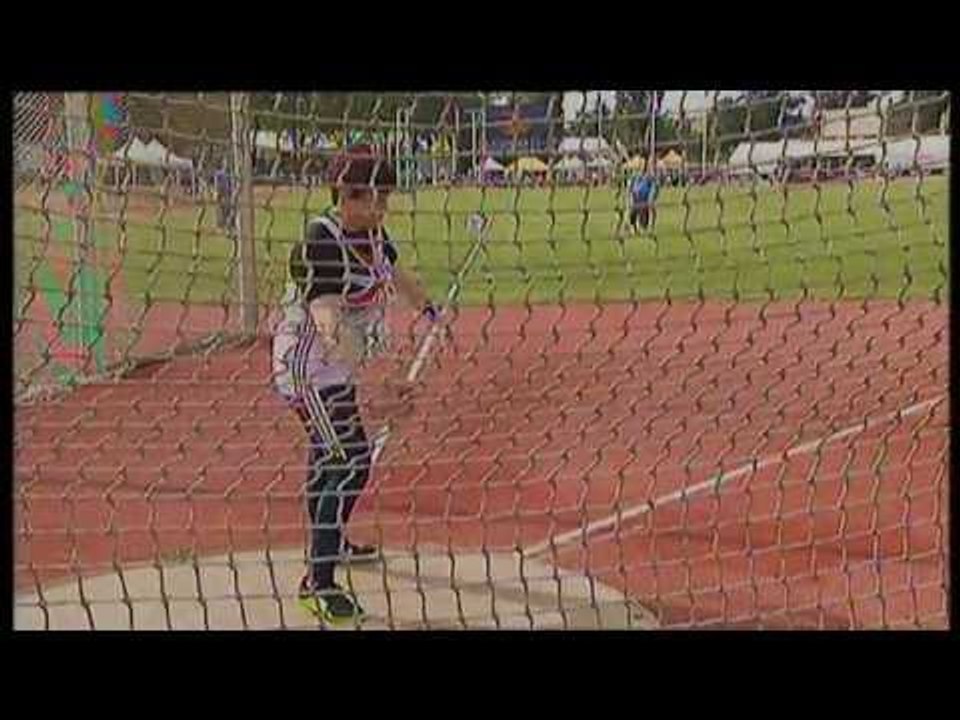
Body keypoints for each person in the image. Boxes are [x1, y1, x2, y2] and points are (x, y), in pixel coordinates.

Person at [271, 145, 438, 626]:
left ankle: (332, 539)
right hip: (307, 369)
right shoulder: (320, 241)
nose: (381, 207)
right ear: (345, 195)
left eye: (385, 197)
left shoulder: (374, 235)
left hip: (338, 368)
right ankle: (317, 583)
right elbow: (326, 320)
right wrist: (374, 385)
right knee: (351, 458)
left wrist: (428, 309)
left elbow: (395, 272)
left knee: (330, 456)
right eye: (372, 197)